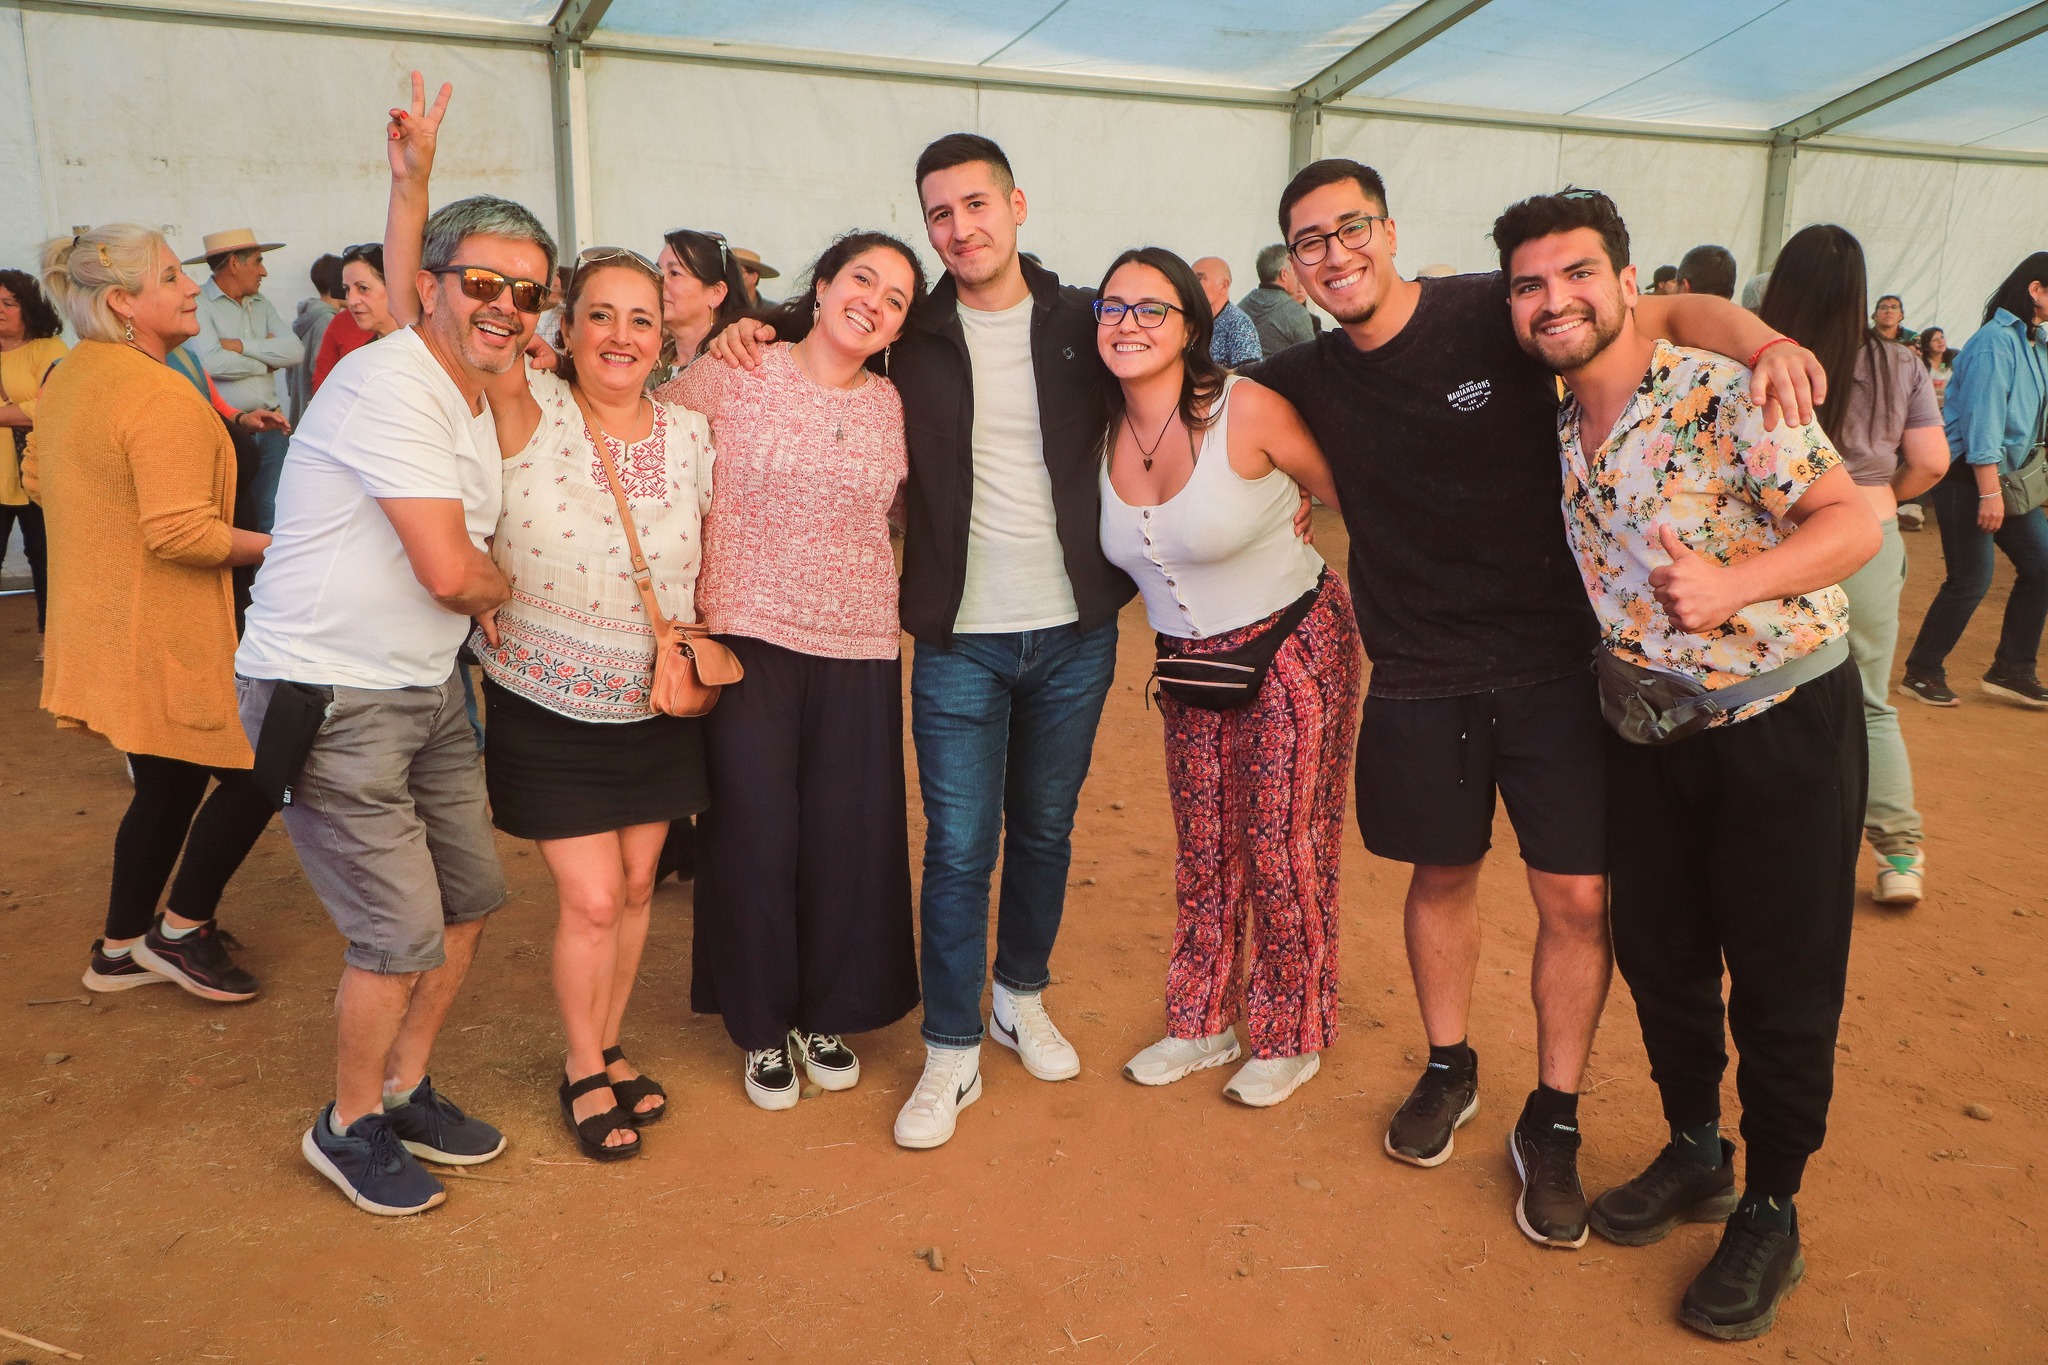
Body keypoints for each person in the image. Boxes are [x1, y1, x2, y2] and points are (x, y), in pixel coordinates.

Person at [1249, 158, 1825, 1250]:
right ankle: (1448, 1065)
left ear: (1388, 229)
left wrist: (1764, 343)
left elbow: (1671, 311)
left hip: (1556, 665)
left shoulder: (1496, 305)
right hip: (1417, 672)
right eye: (1310, 240)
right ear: (1294, 264)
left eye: (1351, 227)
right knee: (1439, 876)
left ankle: (1553, 1113)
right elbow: (1208, 410)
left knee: (1575, 898)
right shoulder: (1303, 375)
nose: (1334, 254)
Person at [1496, 186, 1879, 1343]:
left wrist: (1730, 585)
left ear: (1628, 283)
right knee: (1663, 960)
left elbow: (1850, 522)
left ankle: (1770, 1208)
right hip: (1646, 735)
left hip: (1779, 724)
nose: (1553, 300)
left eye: (1577, 274)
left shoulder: (1724, 392)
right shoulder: (1559, 421)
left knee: (1780, 977)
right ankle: (1696, 1152)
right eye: (1528, 285)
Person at [234, 78, 554, 1217]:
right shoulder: (392, 385)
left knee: (468, 897)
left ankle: (406, 1088)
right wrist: (504, 588)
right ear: (434, 288)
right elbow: (452, 573)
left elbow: (441, 286)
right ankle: (348, 1121)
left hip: (425, 687)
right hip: (328, 694)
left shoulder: (460, 377)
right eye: (486, 284)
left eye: (528, 292)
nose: (507, 306)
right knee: (398, 931)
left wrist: (412, 184)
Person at [382, 87, 712, 1159]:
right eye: (599, 314)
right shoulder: (527, 401)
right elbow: (422, 315)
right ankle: (580, 1064)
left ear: (666, 337)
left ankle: (609, 1044)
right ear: (564, 327)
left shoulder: (693, 432)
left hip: (658, 701)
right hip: (547, 700)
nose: (621, 334)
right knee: (590, 897)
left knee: (637, 888)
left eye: (642, 318)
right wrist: (413, 187)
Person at [1095, 247, 1360, 1107]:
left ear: (1191, 327)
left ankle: (1291, 1032)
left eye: (1152, 309)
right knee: (1206, 847)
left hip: (1291, 646)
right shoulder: (1098, 423)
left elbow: (1352, 492)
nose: (1128, 324)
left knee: (1283, 844)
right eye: (1112, 307)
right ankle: (1200, 1019)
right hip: (1188, 667)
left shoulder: (1246, 410)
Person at [667, 230, 924, 1111]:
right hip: (748, 636)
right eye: (862, 279)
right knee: (753, 834)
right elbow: (648, 433)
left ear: (899, 327)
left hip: (858, 643)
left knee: (848, 840)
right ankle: (762, 1023)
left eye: (895, 299)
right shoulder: (739, 370)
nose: (873, 302)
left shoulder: (892, 405)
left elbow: (905, 512)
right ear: (821, 285)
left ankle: (827, 1011)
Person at [27, 225, 274, 1003]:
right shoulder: (153, 392)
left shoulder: (75, 373)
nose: (193, 285)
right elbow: (182, 533)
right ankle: (179, 930)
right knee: (263, 771)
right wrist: (286, 547)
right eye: (171, 276)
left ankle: (118, 949)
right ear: (122, 302)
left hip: (114, 624)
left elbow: (38, 476)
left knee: (167, 784)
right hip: (166, 631)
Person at [1759, 226, 1947, 908]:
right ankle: (1898, 854)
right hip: (1867, 535)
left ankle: (1779, 852)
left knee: (1762, 697)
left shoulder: (1754, 355)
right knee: (1868, 701)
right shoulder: (1900, 364)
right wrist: (1878, 498)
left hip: (1772, 542)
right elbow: (1932, 461)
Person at [1902, 253, 2048, 710]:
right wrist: (1989, 493)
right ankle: (1922, 671)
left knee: (2043, 567)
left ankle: (2012, 669)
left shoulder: (2035, 343)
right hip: (1969, 475)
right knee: (1971, 578)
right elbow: (1984, 423)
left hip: (2009, 477)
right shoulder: (1993, 343)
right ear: (2036, 290)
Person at [188, 228, 300, 531]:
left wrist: (239, 346)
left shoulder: (261, 302)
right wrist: (266, 362)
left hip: (272, 426)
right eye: (258, 262)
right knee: (232, 515)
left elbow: (295, 352)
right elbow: (211, 362)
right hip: (229, 430)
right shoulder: (199, 303)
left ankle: (267, 564)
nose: (263, 271)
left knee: (273, 514)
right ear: (235, 264)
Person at [0, 269, 67, 658]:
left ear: (29, 307)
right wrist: (22, 410)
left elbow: (53, 404)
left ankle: (51, 636)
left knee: (45, 557)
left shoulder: (50, 350)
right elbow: (33, 406)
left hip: (41, 470)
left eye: (9, 303)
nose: (0, 310)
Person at [658, 229, 750, 377]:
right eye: (657, 271)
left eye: (674, 273)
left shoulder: (734, 365)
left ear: (716, 293)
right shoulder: (651, 360)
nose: (659, 281)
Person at [313, 242, 396, 389]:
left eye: (363, 288)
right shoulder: (360, 359)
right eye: (347, 289)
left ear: (394, 287)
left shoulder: (426, 349)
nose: (351, 301)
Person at [288, 253, 345, 421]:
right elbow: (322, 371)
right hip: (316, 412)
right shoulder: (327, 321)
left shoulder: (307, 316)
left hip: (302, 408)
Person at [1237, 244, 1317, 357]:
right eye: (1295, 270)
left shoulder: (1241, 307)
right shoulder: (1295, 313)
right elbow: (1311, 359)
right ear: (1284, 274)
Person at [1191, 256, 1261, 367]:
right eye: (1190, 279)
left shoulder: (1239, 323)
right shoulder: (1189, 319)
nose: (1191, 285)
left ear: (1224, 285)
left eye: (1199, 279)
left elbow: (1248, 372)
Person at [1918, 326, 1953, 408]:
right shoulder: (1921, 364)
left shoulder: (1954, 357)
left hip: (1951, 405)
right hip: (1928, 406)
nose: (1940, 341)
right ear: (1926, 347)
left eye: (1942, 337)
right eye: (1935, 340)